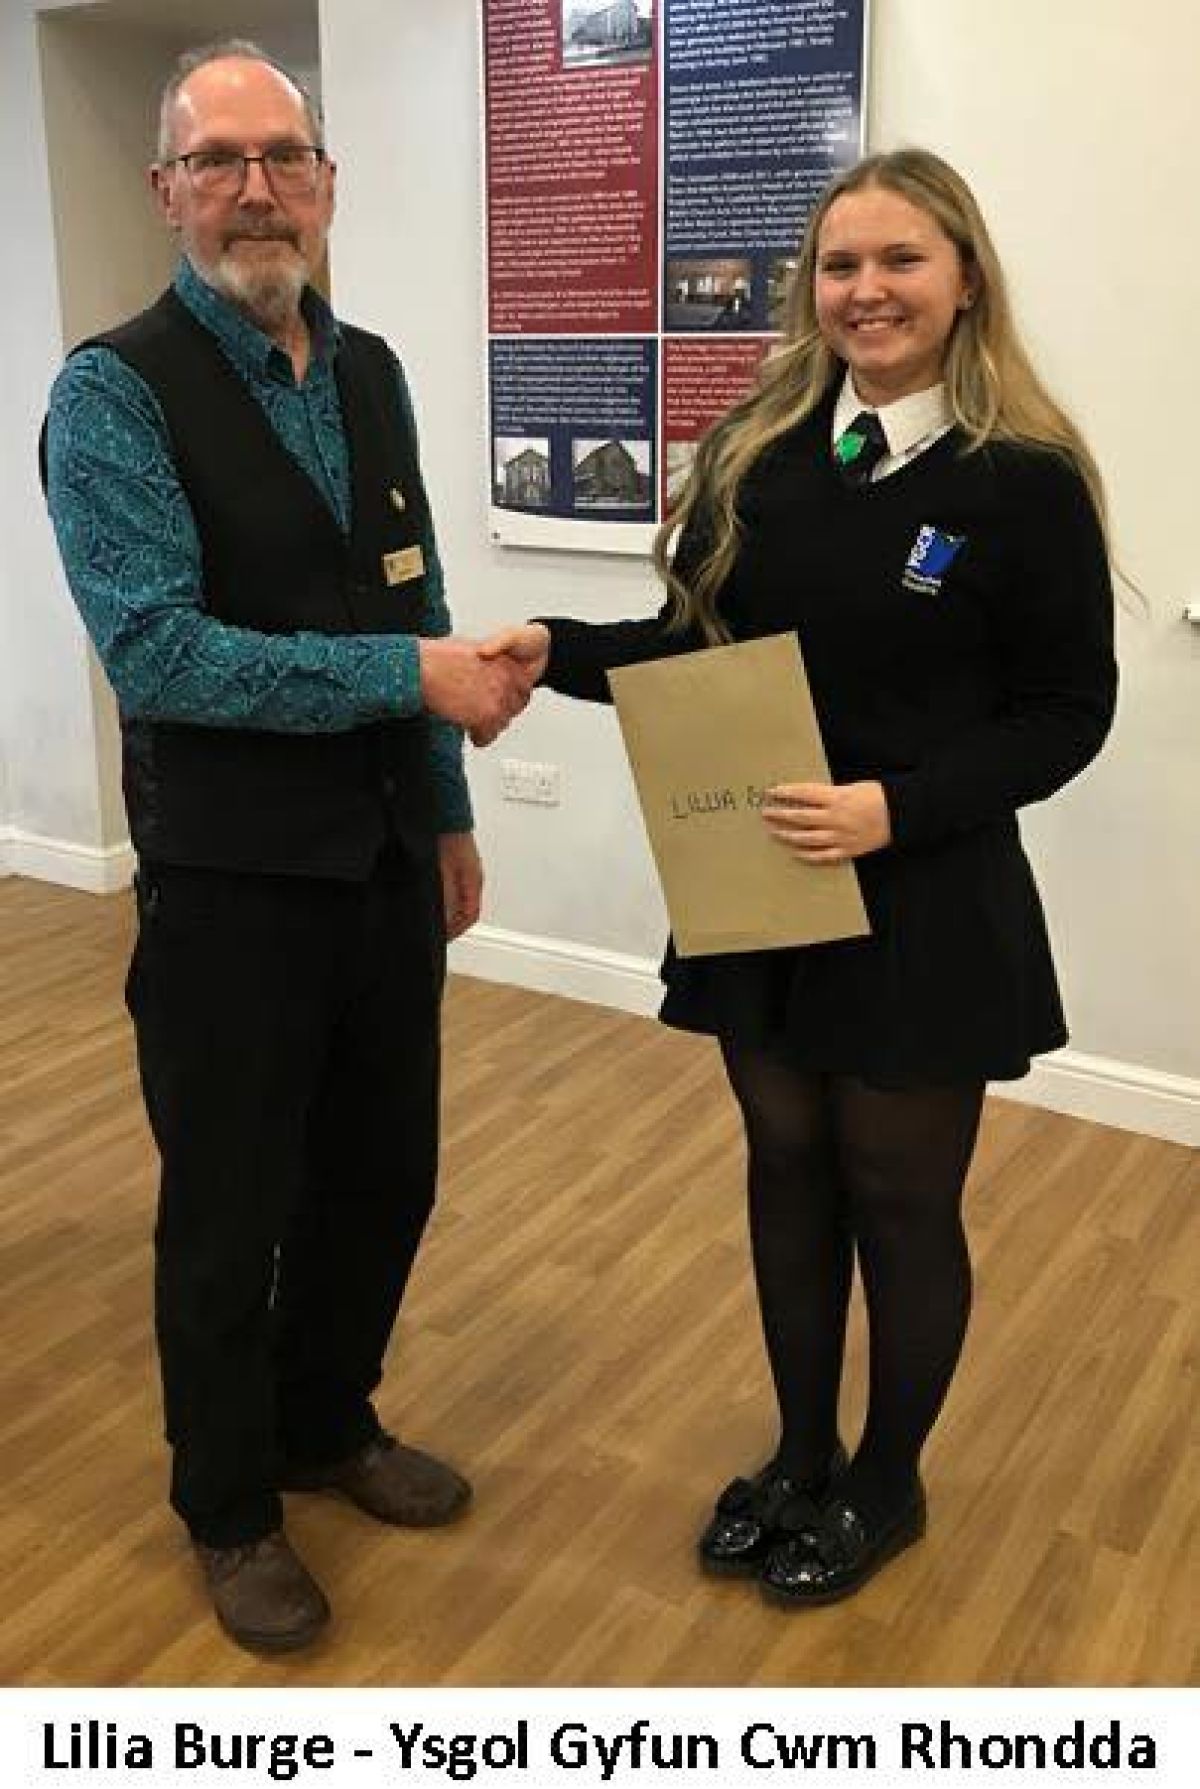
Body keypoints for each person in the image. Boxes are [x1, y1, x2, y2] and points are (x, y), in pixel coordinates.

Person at [482, 149, 1117, 1605]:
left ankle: (887, 1480)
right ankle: (799, 1454)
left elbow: (1068, 712)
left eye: (901, 260)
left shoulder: (1023, 480)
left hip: (924, 895)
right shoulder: (760, 454)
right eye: (841, 265)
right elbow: (692, 647)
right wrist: (554, 650)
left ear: (965, 281)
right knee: (786, 1169)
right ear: (808, 289)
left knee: (900, 1198)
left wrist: (897, 809)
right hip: (761, 882)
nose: (867, 290)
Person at [41, 41, 532, 1653]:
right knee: (229, 1210)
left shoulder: (370, 370)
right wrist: (411, 682)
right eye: (221, 160)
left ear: (327, 185)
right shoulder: (111, 395)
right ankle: (231, 1502)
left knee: (383, 1176)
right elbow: (161, 653)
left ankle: (328, 1420)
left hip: (382, 861)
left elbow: (416, 591)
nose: (258, 190)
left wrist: (445, 807)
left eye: (285, 158)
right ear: (165, 189)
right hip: (232, 888)